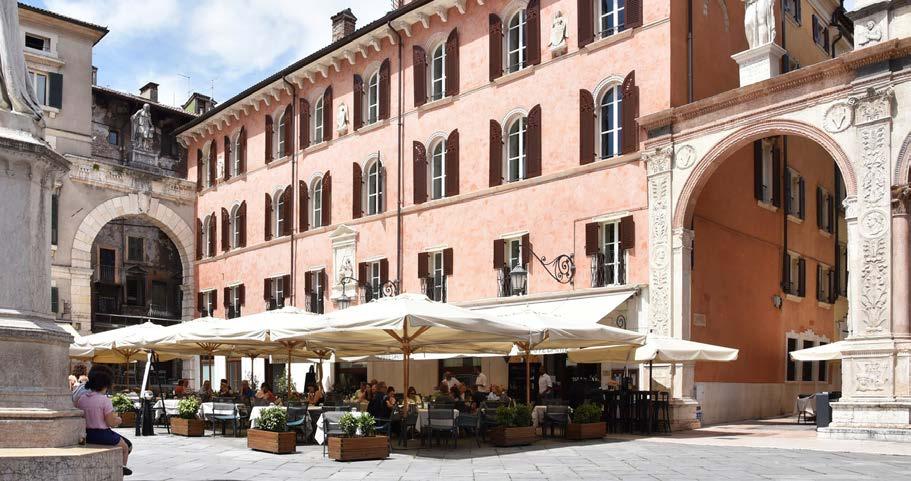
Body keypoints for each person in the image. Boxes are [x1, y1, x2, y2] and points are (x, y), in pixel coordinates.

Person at [74, 365, 133, 476]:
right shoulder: (105, 400)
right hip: (103, 434)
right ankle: (122, 468)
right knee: (125, 447)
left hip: (87, 434)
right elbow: (110, 422)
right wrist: (118, 420)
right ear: (107, 384)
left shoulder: (82, 399)